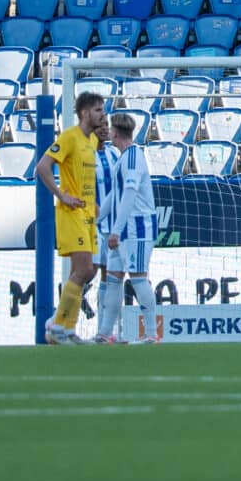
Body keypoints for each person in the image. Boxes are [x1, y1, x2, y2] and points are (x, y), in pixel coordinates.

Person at [36, 92, 107, 345]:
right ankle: (57, 325)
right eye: (98, 110)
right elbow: (42, 167)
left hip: (87, 214)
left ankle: (65, 329)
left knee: (87, 273)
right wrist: (61, 195)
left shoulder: (90, 142)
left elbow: (85, 181)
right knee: (84, 270)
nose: (102, 114)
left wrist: (97, 207)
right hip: (71, 213)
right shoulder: (70, 137)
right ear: (85, 113)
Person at [95, 113, 163, 344]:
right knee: (113, 279)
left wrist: (116, 229)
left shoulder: (133, 157)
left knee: (138, 279)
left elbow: (130, 194)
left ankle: (152, 333)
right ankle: (104, 333)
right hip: (124, 230)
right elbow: (116, 194)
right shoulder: (123, 158)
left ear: (115, 132)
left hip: (137, 230)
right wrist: (97, 218)